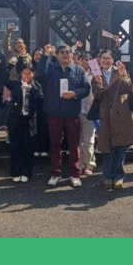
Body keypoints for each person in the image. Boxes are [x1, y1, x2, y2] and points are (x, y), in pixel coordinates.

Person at [36, 44, 90, 187]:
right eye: (62, 52)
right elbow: (39, 75)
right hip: (55, 113)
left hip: (73, 113)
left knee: (74, 145)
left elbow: (86, 88)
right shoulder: (51, 68)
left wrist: (75, 93)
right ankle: (56, 173)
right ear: (57, 55)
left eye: (67, 52)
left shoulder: (78, 70)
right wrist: (46, 55)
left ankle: (74, 174)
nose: (65, 55)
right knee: (55, 145)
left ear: (72, 55)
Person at [92, 51, 133, 189]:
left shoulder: (120, 71)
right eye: (103, 58)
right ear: (99, 60)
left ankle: (118, 176)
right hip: (105, 115)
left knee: (120, 147)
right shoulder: (96, 74)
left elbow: (128, 89)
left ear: (112, 59)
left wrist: (124, 77)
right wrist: (99, 84)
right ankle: (107, 176)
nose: (106, 61)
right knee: (107, 147)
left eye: (108, 58)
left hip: (120, 113)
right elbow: (97, 96)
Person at [5, 67, 43, 182]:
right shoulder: (14, 84)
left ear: (33, 74)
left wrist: (32, 91)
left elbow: (40, 102)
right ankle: (16, 172)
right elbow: (7, 102)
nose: (26, 76)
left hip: (29, 120)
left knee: (28, 147)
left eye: (29, 73)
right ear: (21, 74)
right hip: (16, 119)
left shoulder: (36, 86)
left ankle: (26, 172)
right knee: (15, 146)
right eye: (24, 73)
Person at [78, 52, 96, 175]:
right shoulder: (76, 74)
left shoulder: (95, 74)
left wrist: (95, 67)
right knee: (78, 141)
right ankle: (80, 164)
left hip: (90, 111)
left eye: (88, 59)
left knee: (89, 140)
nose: (85, 61)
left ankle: (89, 164)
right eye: (82, 59)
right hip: (77, 111)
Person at [32, 48, 50, 156]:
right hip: (31, 99)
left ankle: (44, 148)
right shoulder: (29, 66)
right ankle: (35, 147)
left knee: (44, 123)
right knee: (33, 124)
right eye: (36, 54)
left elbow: (40, 75)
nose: (38, 56)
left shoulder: (47, 67)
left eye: (41, 55)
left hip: (44, 99)